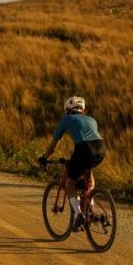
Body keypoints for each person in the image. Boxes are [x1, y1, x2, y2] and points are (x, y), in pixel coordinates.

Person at [39, 96, 106, 231]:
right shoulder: (91, 119)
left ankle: (79, 214)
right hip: (101, 148)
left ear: (67, 110)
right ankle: (91, 210)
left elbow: (54, 145)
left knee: (70, 182)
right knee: (89, 179)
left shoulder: (66, 119)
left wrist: (44, 157)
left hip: (83, 149)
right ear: (83, 109)